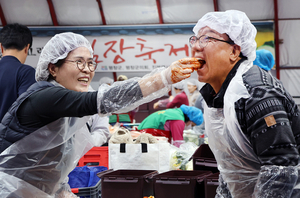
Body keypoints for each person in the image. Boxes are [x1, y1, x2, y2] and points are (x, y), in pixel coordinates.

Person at [0, 32, 200, 197]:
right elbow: (107, 99)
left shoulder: (65, 110)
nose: (87, 70)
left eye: (90, 63)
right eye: (79, 62)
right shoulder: (45, 96)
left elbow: (55, 169)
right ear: (53, 68)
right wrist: (163, 78)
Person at [190, 10, 300, 197]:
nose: (196, 47)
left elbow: (280, 169)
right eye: (195, 39)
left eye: (207, 39)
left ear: (234, 51)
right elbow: (233, 165)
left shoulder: (257, 94)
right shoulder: (216, 95)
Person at [0, 23, 36, 121]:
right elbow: (28, 111)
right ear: (27, 48)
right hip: (9, 135)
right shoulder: (26, 73)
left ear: (1, 47)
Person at [138, 104, 203, 147]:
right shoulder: (178, 119)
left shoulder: (176, 113)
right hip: (150, 132)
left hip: (145, 130)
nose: (190, 127)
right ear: (190, 119)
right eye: (192, 125)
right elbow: (178, 142)